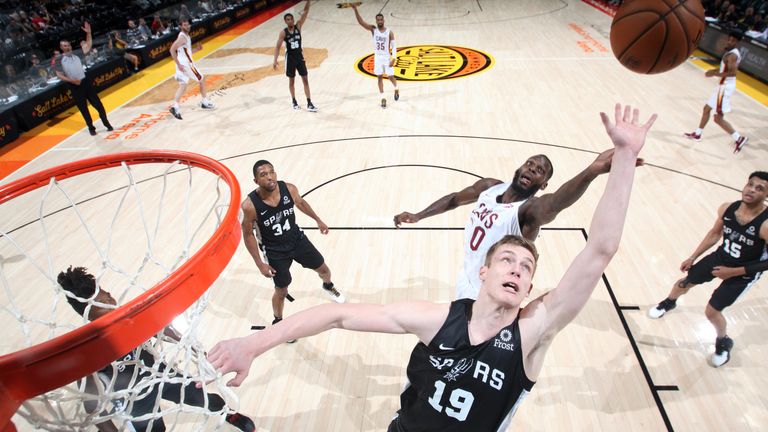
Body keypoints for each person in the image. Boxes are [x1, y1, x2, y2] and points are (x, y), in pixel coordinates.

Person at [208, 104, 656, 431]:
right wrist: (258, 342)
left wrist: (610, 166)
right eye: (507, 259)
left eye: (525, 266)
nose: (517, 268)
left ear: (529, 286)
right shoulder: (482, 202)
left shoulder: (532, 323)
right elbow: (338, 315)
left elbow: (598, 248)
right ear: (487, 270)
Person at [393, 148, 639, 300]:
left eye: (540, 171)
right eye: (530, 164)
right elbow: (454, 200)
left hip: (493, 293)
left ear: (542, 184)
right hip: (468, 277)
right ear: (520, 167)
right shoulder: (489, 187)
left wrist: (591, 171)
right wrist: (419, 215)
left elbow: (554, 204)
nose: (532, 169)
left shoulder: (528, 211)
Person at [57, 266, 256, 432]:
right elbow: (91, 404)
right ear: (90, 309)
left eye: (106, 291)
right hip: (134, 399)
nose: (110, 296)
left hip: (160, 374)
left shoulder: (128, 315)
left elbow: (161, 328)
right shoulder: (87, 350)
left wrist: (192, 348)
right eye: (104, 297)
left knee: (202, 397)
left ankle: (231, 414)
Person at [648, 171, 768, 367]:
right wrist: (693, 257)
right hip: (721, 257)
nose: (751, 190)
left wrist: (732, 273)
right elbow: (714, 234)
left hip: (745, 272)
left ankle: (723, 342)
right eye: (750, 185)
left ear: (766, 195)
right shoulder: (728, 208)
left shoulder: (765, 224)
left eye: (759, 188)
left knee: (712, 312)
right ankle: (669, 302)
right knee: (684, 282)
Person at [241, 160, 345, 339]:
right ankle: (278, 322)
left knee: (324, 269)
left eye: (271, 172)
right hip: (274, 250)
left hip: (297, 240)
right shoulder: (250, 206)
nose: (270, 177)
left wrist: (318, 220)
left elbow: (301, 203)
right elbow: (248, 235)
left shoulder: (289, 189)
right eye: (263, 174)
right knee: (281, 290)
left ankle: (328, 286)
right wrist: (260, 264)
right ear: (256, 181)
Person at [683, 31, 749, 153]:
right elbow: (724, 68)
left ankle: (739, 138)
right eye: (729, 39)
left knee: (718, 118)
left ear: (737, 42)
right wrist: (713, 71)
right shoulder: (730, 53)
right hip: (722, 86)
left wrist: (714, 73)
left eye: (733, 40)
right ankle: (698, 133)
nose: (730, 42)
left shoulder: (732, 55)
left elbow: (733, 73)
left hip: (725, 87)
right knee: (706, 109)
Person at [54, 22, 114, 136]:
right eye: (65, 46)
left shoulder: (77, 54)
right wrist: (72, 81)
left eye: (69, 45)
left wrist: (89, 33)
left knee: (98, 105)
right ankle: (91, 128)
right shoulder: (59, 60)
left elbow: (88, 44)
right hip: (75, 86)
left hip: (85, 82)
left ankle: (106, 123)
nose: (68, 47)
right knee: (84, 109)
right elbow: (59, 75)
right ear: (61, 48)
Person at [351, 4, 399, 108]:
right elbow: (361, 22)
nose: (380, 21)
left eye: (381, 19)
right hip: (378, 57)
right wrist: (355, 9)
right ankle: (383, 98)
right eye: (378, 20)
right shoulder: (373, 30)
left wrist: (394, 58)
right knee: (379, 78)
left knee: (391, 77)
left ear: (384, 20)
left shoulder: (389, 32)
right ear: (376, 21)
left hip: (386, 57)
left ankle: (396, 88)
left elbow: (394, 46)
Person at [272, 1, 317, 112]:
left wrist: (308, 1)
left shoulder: (298, 26)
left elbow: (305, 13)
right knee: (292, 81)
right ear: (285, 21)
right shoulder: (283, 33)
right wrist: (275, 60)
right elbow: (277, 47)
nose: (290, 21)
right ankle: (294, 101)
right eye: (287, 20)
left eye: (291, 19)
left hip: (299, 57)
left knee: (305, 80)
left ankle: (309, 102)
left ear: (293, 19)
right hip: (290, 59)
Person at [168, 18, 214, 120]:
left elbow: (186, 52)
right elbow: (172, 49)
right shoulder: (182, 37)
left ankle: (175, 107)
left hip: (182, 64)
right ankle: (204, 102)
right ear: (181, 26)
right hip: (186, 64)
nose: (187, 26)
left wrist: (197, 49)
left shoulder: (185, 36)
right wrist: (179, 64)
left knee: (183, 85)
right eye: (184, 25)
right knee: (201, 80)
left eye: (188, 24)